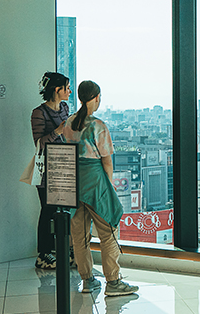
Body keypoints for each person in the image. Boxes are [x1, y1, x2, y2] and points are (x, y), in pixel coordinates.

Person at [66, 80, 139, 297]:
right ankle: (113, 281)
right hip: (96, 182)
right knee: (108, 232)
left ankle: (87, 279)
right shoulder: (98, 126)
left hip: (74, 183)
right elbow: (107, 161)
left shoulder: (69, 123)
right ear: (96, 97)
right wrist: (109, 187)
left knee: (79, 236)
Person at [30, 72, 71, 270]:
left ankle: (61, 250)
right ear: (57, 90)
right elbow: (39, 144)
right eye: (66, 88)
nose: (69, 91)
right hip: (46, 169)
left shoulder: (64, 108)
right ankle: (43, 254)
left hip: (64, 165)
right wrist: (57, 131)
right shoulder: (39, 113)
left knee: (63, 209)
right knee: (47, 210)